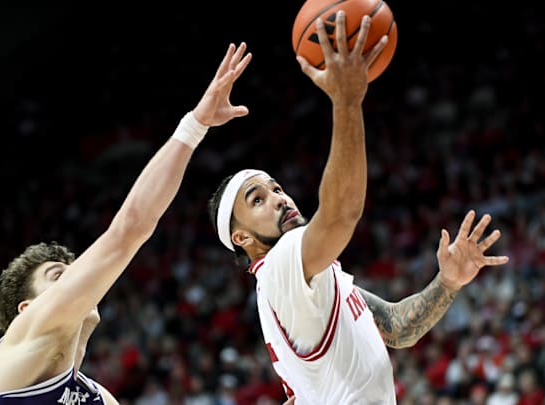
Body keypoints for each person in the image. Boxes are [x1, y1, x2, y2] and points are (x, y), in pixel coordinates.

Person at [207, 11, 510, 404]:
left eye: (276, 187)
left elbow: (400, 329)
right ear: (242, 237)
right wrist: (346, 102)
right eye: (258, 199)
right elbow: (341, 213)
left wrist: (448, 282)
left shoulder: (311, 278)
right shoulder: (279, 267)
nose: (280, 198)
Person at [0, 42, 253, 405]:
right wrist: (195, 125)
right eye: (59, 275)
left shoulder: (95, 395)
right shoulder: (24, 339)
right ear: (27, 309)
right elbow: (129, 229)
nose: (79, 276)